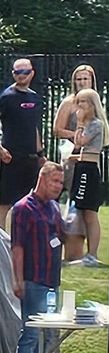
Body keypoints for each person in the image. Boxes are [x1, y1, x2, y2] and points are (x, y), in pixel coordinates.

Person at [10, 163, 63, 353]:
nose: (59, 187)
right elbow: (17, 247)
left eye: (61, 183)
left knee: (50, 336)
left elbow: (61, 238)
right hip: (33, 280)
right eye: (55, 181)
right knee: (31, 334)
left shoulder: (53, 208)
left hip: (52, 281)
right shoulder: (23, 208)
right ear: (42, 179)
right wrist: (18, 279)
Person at [51, 64, 96, 262]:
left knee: (89, 205)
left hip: (90, 158)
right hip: (72, 157)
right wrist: (77, 136)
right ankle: (70, 248)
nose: (82, 82)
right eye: (79, 78)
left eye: (85, 78)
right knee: (74, 199)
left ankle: (89, 252)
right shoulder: (69, 102)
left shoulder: (95, 103)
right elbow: (57, 130)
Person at [67, 89, 109, 267]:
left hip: (89, 170)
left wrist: (79, 123)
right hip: (81, 166)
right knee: (81, 210)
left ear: (92, 105)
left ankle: (92, 254)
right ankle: (79, 252)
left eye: (83, 102)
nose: (79, 106)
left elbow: (81, 142)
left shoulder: (95, 124)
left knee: (90, 212)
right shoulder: (86, 125)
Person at [0, 59, 45, 231]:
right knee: (4, 202)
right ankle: (2, 247)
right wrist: (1, 150)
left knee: (30, 201)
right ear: (13, 74)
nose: (21, 76)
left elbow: (34, 128)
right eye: (17, 72)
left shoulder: (34, 98)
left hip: (30, 158)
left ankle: (25, 241)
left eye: (25, 72)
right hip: (9, 158)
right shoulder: (6, 97)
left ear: (32, 73)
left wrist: (40, 155)